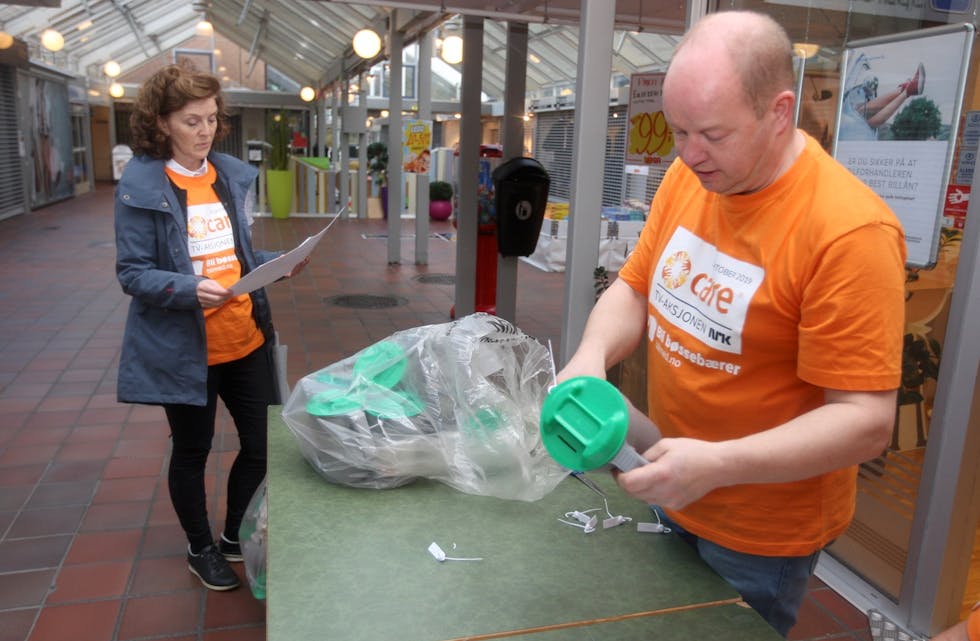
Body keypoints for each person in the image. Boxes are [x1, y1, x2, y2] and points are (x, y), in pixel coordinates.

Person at [557, 11, 906, 636]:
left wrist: (715, 465)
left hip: (760, 532)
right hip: (668, 479)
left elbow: (866, 422)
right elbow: (634, 286)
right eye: (678, 130)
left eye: (712, 134)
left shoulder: (849, 232)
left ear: (779, 112)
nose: (689, 154)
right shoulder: (690, 179)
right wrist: (590, 355)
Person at [114, 62, 306, 591]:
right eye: (192, 121)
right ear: (160, 123)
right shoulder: (141, 187)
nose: (206, 132)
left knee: (264, 445)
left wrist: (278, 260)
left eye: (212, 120)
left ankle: (230, 535)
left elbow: (234, 257)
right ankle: (201, 548)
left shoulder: (224, 175)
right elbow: (132, 273)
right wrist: (185, 288)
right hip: (186, 348)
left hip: (245, 338)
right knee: (192, 452)